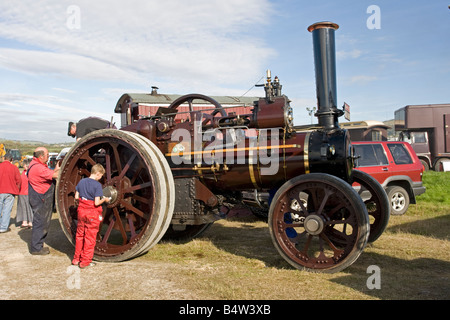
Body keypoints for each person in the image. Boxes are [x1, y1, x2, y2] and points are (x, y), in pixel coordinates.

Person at [72, 164, 110, 268]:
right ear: (98, 173)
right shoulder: (97, 185)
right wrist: (105, 200)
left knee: (80, 235)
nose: (100, 178)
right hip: (92, 213)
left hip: (81, 211)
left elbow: (76, 197)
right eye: (101, 176)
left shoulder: (81, 181)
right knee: (90, 238)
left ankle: (76, 259)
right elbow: (97, 203)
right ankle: (85, 262)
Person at [28, 147, 60, 255]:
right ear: (41, 156)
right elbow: (55, 175)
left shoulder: (37, 165)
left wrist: (56, 167)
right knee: (40, 223)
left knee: (41, 222)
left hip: (39, 196)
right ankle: (36, 248)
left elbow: (50, 173)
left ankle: (38, 245)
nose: (48, 156)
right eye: (47, 155)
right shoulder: (38, 168)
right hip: (40, 197)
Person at [0, 153, 21, 233]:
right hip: (10, 191)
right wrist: (17, 189)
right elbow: (18, 180)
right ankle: (3, 227)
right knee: (7, 210)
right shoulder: (14, 168)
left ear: (4, 158)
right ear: (11, 160)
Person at [16, 159, 33, 229]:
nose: (23, 166)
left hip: (28, 193)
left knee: (29, 208)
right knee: (23, 207)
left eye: (24, 164)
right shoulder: (24, 172)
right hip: (22, 192)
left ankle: (30, 222)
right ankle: (25, 221)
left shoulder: (30, 173)